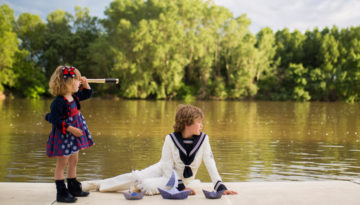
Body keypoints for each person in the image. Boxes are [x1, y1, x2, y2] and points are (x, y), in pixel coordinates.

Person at [83, 104, 237, 196]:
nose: (202, 125)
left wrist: (220, 187)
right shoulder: (171, 139)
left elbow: (210, 163)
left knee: (145, 185)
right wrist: (182, 188)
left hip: (180, 178)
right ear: (187, 124)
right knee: (137, 176)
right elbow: (166, 165)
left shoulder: (204, 139)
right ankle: (96, 185)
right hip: (166, 172)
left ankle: (137, 188)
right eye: (198, 122)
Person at [45, 66, 94, 203]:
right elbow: (55, 120)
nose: (79, 82)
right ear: (68, 83)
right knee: (62, 163)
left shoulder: (74, 96)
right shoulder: (58, 102)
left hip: (74, 134)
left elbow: (87, 94)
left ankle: (73, 187)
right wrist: (71, 129)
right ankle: (61, 192)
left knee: (74, 160)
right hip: (64, 135)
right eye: (77, 80)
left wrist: (86, 84)